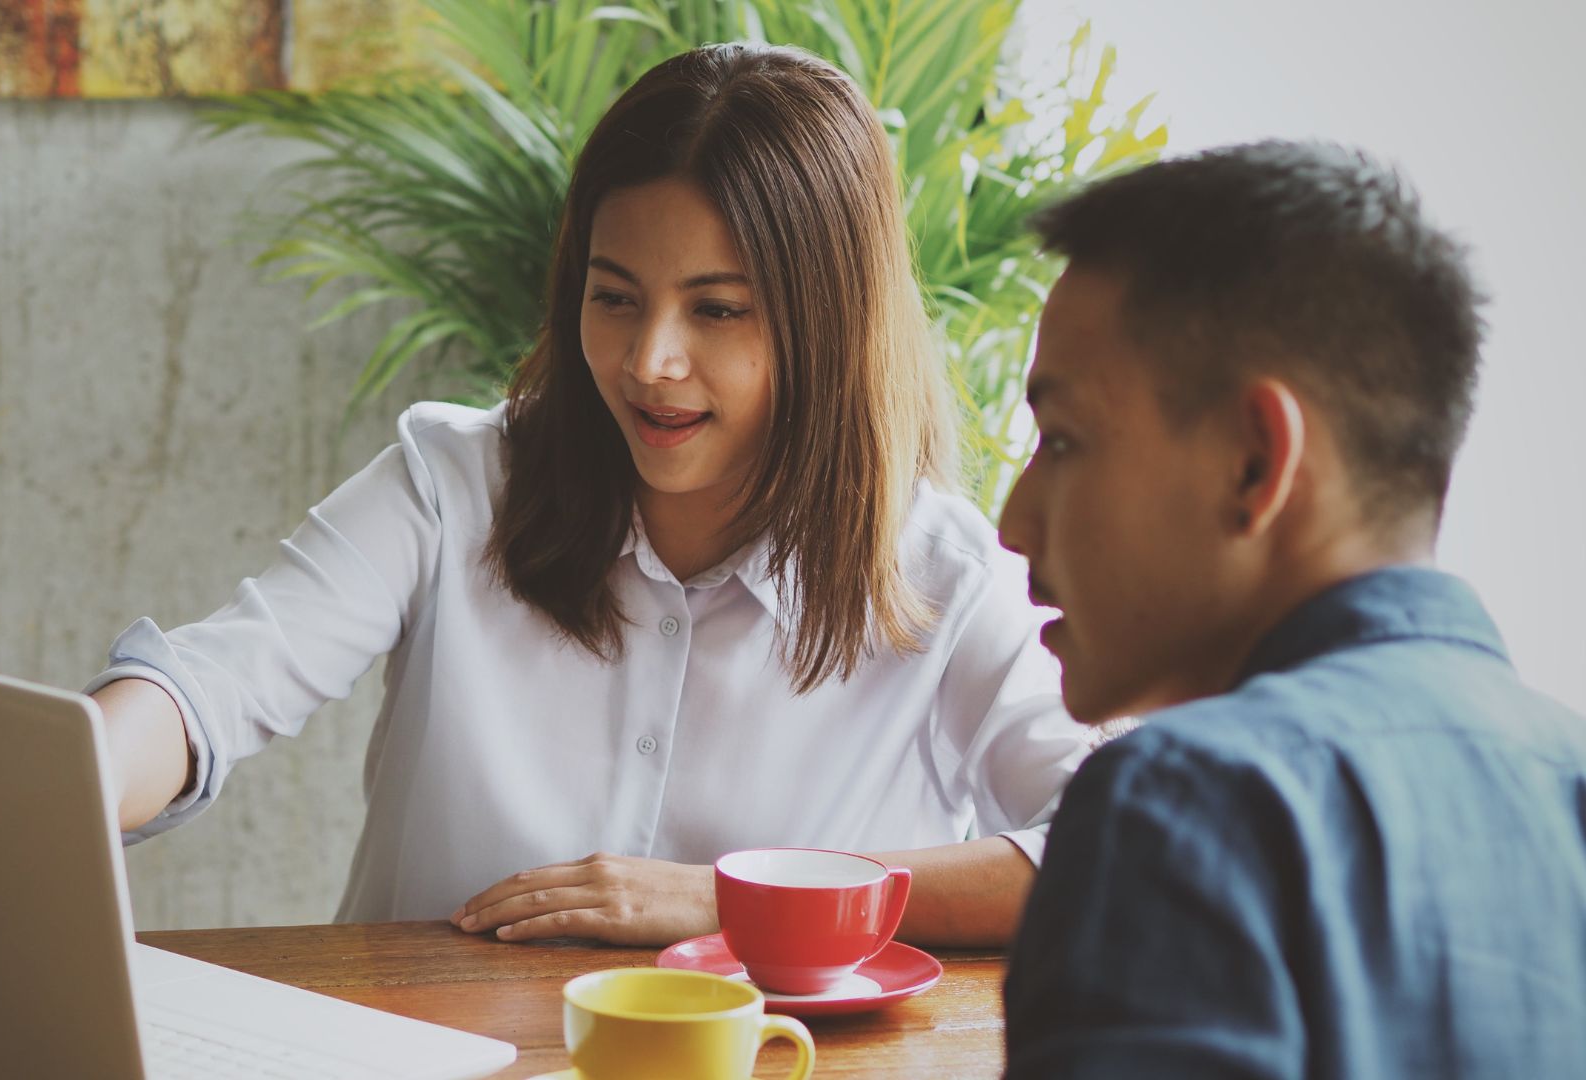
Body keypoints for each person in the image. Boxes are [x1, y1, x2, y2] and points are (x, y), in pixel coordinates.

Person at [90, 43, 1092, 949]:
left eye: (718, 310)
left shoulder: (945, 583)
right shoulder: (450, 486)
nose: (650, 361)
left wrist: (744, 899)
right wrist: (78, 770)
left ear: (829, 327)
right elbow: (215, 688)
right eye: (614, 298)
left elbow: (1110, 858)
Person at [997, 140, 1586, 1076]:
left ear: (1255, 462)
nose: (1012, 521)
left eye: (1062, 442)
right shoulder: (1567, 775)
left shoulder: (1188, 803)